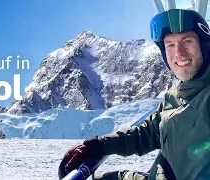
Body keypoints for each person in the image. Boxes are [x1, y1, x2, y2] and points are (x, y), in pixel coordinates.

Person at [58, 8, 210, 180]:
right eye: (170, 45)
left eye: (187, 41)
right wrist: (97, 146)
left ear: (204, 45)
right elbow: (148, 132)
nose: (179, 53)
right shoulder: (175, 94)